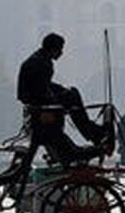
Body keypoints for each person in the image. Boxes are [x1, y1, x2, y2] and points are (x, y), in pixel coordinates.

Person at [17, 33, 109, 161]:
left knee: (71, 93)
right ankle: (92, 132)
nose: (61, 53)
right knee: (73, 96)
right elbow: (41, 91)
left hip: (37, 103)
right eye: (60, 49)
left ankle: (91, 131)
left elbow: (44, 85)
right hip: (41, 106)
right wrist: (58, 101)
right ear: (54, 49)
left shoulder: (38, 60)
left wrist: (61, 90)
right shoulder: (42, 63)